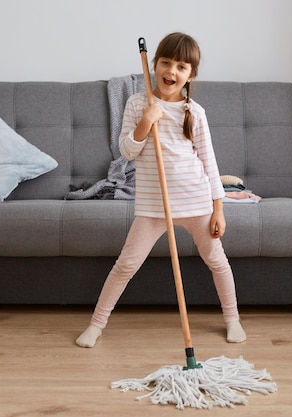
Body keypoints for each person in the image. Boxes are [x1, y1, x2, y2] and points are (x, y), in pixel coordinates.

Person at [76, 32, 246, 348]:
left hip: (196, 200)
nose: (171, 71)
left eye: (181, 66)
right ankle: (97, 325)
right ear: (154, 65)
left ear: (190, 74)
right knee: (126, 264)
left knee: (217, 261)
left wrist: (218, 208)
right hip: (154, 206)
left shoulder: (194, 112)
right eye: (166, 62)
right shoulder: (138, 103)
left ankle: (232, 319)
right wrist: (145, 122)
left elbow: (209, 162)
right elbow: (126, 151)